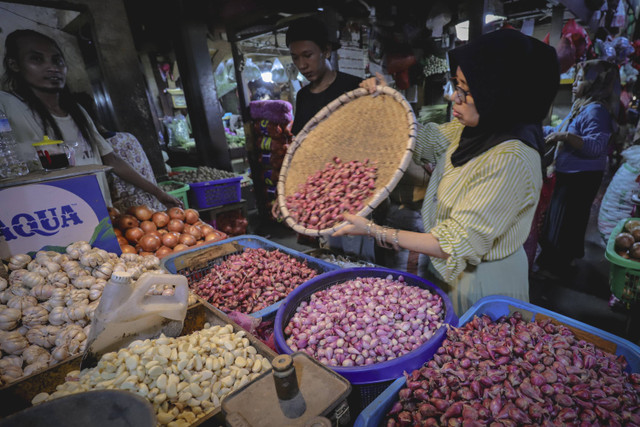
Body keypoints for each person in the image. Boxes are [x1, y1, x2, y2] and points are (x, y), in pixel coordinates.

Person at [334, 29, 560, 314]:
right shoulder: (469, 132)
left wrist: (373, 230)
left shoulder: (511, 159)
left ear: (499, 93)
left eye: (466, 89)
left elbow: (450, 243)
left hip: (484, 287)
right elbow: (422, 141)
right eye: (457, 84)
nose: (453, 96)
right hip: (449, 275)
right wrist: (387, 101)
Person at [0, 29, 181, 209]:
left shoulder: (77, 112)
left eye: (57, 60)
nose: (52, 67)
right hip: (49, 220)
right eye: (36, 59)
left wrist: (159, 193)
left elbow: (111, 160)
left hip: (97, 211)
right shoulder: (7, 106)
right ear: (14, 64)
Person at [535, 59, 620, 279]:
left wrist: (564, 137)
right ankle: (565, 261)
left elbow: (595, 146)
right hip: (573, 175)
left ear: (595, 84)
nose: (574, 84)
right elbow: (563, 128)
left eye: (580, 79)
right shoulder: (582, 105)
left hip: (580, 178)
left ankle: (554, 268)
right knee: (567, 220)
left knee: (564, 222)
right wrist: (541, 129)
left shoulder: (596, 111)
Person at [286, 16, 362, 135]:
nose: (301, 65)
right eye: (295, 58)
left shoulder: (354, 87)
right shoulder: (303, 97)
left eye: (307, 55)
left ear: (326, 50)